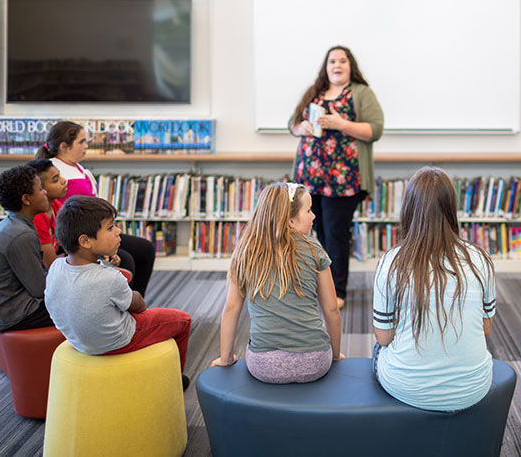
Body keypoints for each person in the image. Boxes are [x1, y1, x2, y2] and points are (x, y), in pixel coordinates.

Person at [371, 167, 496, 412]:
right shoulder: (480, 258)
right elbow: (485, 326)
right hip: (473, 387)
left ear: (408, 208)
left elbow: (383, 337)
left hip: (406, 386)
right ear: (451, 208)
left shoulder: (391, 262)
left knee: (377, 348)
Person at [45, 196, 191, 388]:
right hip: (118, 341)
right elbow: (139, 305)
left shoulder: (56, 266)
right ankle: (175, 379)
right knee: (182, 320)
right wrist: (119, 281)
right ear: (86, 241)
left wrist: (106, 266)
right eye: (110, 227)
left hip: (78, 340)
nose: (118, 231)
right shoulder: (109, 278)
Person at [211, 182, 343, 383]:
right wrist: (334, 355)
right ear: (291, 221)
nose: (313, 216)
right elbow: (332, 309)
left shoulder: (246, 252)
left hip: (264, 366)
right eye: (308, 211)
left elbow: (231, 309)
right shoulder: (315, 249)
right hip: (315, 362)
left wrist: (226, 358)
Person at [289, 46, 384, 309]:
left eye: (342, 61)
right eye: (332, 61)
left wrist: (343, 125)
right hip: (309, 179)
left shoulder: (361, 93)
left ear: (351, 66)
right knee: (313, 233)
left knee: (335, 234)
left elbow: (375, 129)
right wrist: (302, 127)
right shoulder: (314, 92)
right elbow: (292, 124)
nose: (337, 65)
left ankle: (337, 292)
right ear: (326, 66)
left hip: (344, 180)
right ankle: (317, 286)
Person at [36, 120, 156, 296]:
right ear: (64, 146)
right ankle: (125, 306)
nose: (86, 146)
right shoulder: (55, 172)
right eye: (82, 142)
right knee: (127, 260)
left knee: (145, 249)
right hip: (82, 234)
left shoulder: (76, 167)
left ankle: (136, 304)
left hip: (97, 227)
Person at [0, 166, 52, 332]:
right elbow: (40, 290)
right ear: (26, 200)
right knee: (84, 304)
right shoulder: (21, 235)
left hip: (8, 309)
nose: (45, 193)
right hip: (18, 315)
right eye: (41, 189)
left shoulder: (11, 225)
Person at [26, 159, 67, 269]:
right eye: (55, 180)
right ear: (40, 188)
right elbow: (51, 265)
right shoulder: (37, 217)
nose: (64, 181)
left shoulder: (55, 205)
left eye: (60, 176)